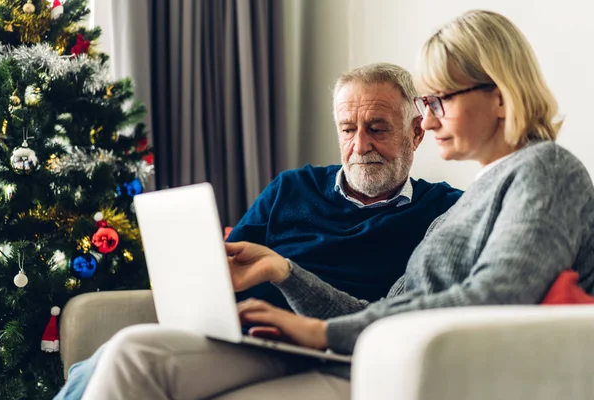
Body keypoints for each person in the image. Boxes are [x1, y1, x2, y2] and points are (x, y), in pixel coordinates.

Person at [81, 9, 594, 399]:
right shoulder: (472, 199)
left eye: (440, 102)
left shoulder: (545, 169)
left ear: (500, 95)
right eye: (426, 104)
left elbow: (499, 295)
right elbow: (385, 313)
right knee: (133, 350)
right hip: (365, 351)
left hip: (398, 368)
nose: (431, 119)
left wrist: (320, 332)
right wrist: (286, 273)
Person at [54, 63, 461, 399]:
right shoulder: (291, 187)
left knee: (121, 358)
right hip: (249, 339)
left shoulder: (444, 211)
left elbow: (390, 317)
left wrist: (282, 272)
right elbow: (227, 269)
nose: (360, 145)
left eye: (377, 128)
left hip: (329, 351)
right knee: (107, 359)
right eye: (347, 129)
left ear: (415, 132)